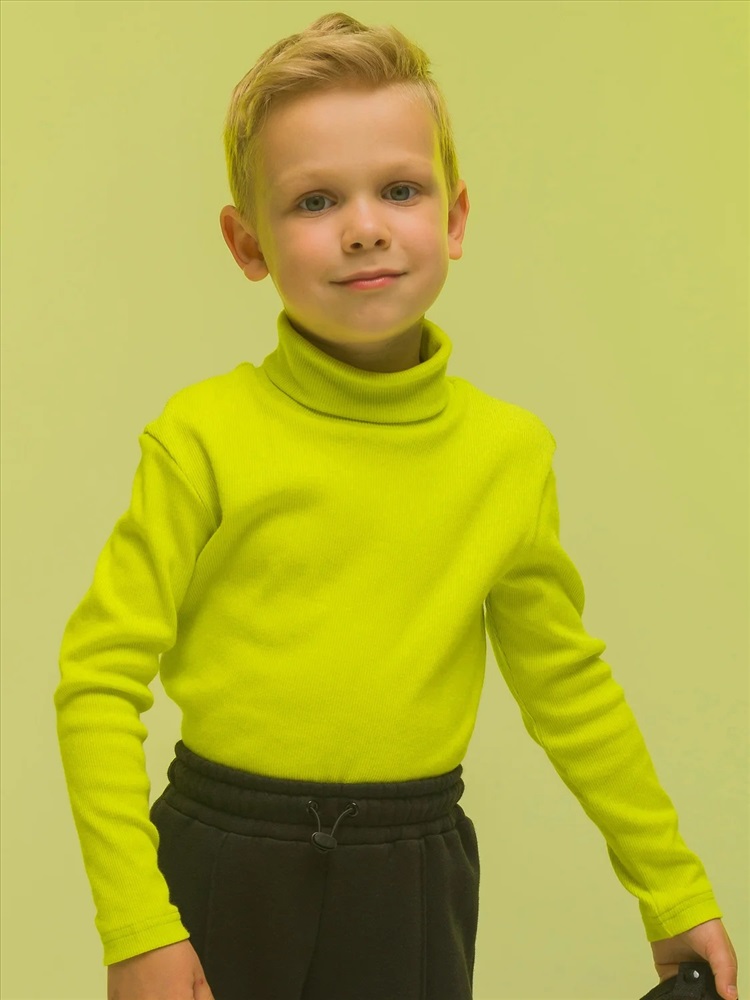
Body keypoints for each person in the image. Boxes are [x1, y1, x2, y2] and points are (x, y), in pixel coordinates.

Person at [53, 11, 739, 1000]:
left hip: (412, 872)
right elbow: (97, 680)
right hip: (217, 860)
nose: (366, 225)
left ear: (454, 219)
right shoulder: (199, 436)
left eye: (401, 190)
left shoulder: (507, 454)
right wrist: (137, 927)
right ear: (247, 243)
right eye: (315, 199)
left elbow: (569, 689)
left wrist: (671, 890)